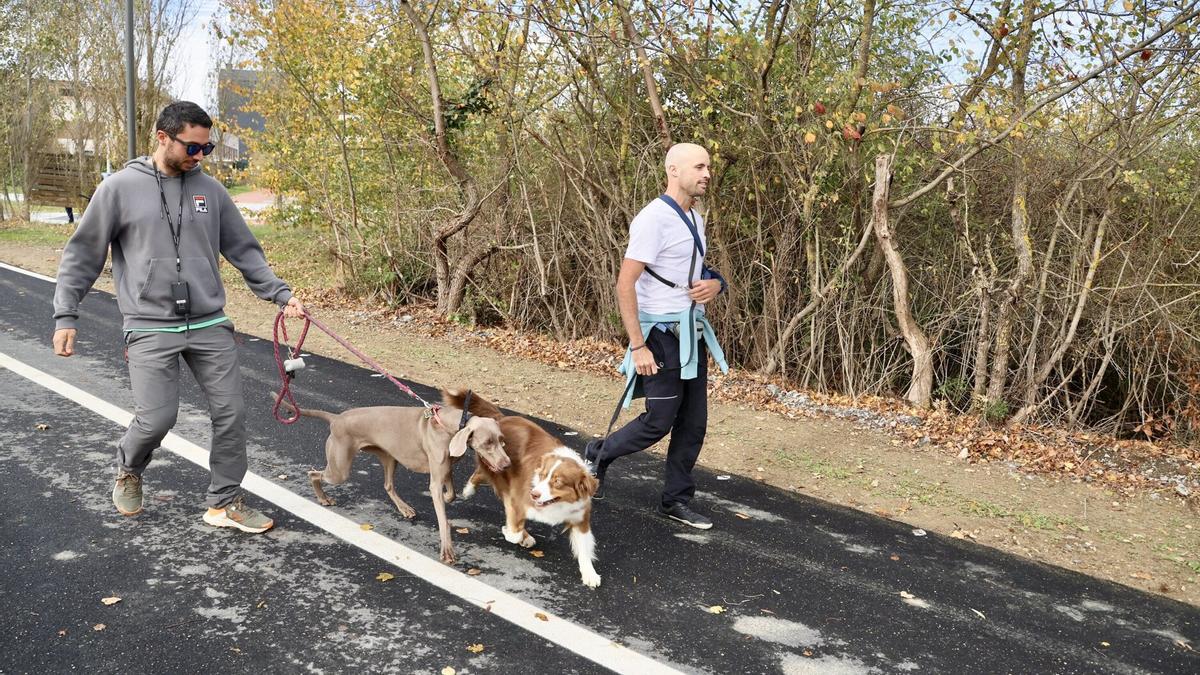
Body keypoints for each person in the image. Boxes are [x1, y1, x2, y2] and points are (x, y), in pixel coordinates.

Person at [51, 101, 304, 534]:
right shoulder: (119, 189)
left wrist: (281, 294)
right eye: (192, 147)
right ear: (162, 137)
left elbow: (244, 251)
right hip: (149, 324)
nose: (199, 156)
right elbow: (82, 255)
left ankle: (223, 503)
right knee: (157, 417)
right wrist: (65, 315)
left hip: (208, 321)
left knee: (231, 412)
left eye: (206, 148)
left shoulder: (212, 191)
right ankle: (129, 467)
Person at [584, 142, 730, 530]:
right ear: (674, 170)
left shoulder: (696, 217)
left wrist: (717, 284)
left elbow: (696, 270)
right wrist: (637, 345)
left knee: (694, 423)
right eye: (700, 167)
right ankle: (598, 453)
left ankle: (675, 501)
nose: (707, 174)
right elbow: (625, 283)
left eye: (708, 167)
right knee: (658, 421)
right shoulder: (652, 219)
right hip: (660, 337)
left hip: (692, 333)